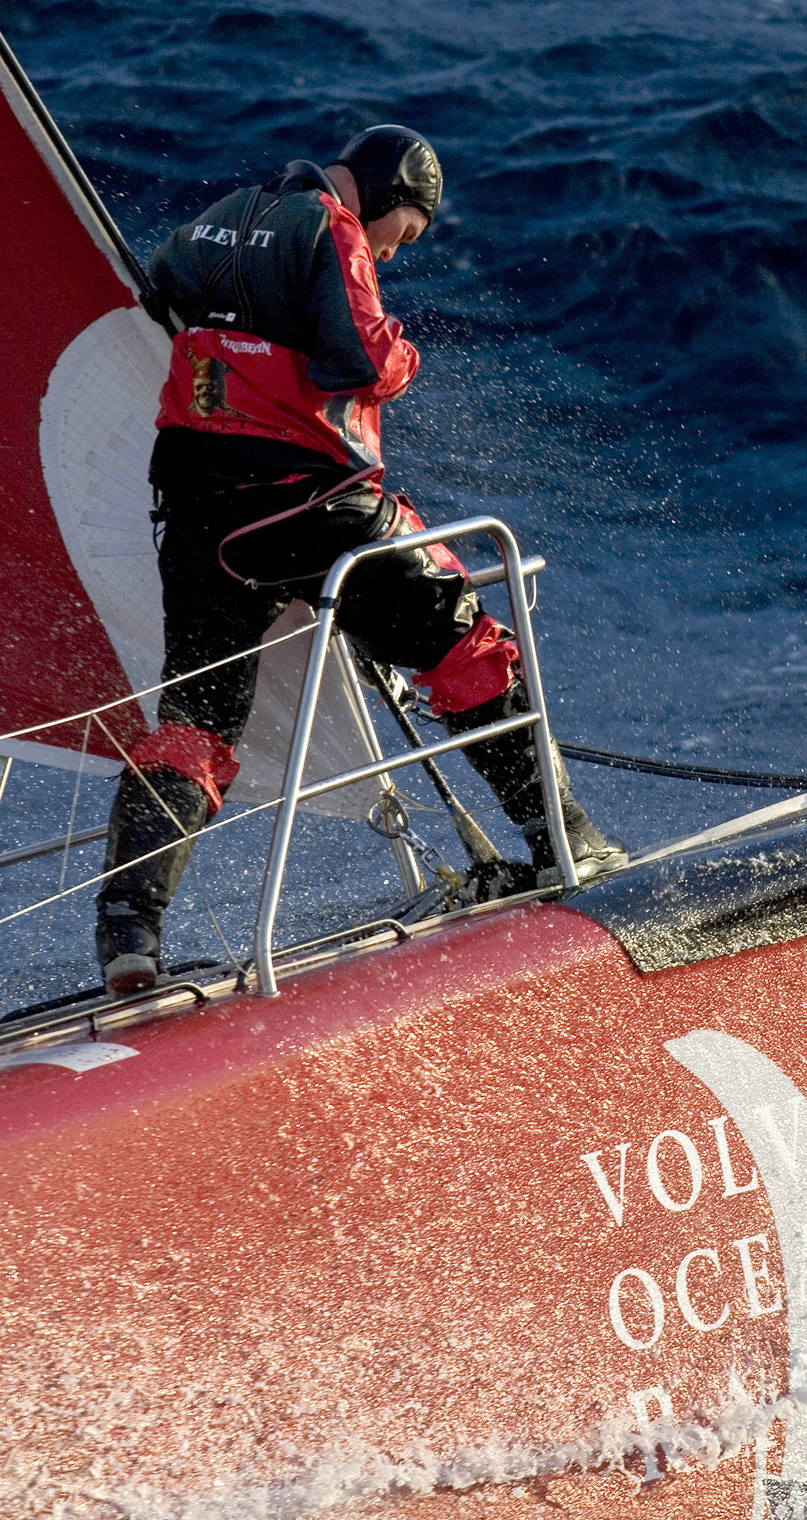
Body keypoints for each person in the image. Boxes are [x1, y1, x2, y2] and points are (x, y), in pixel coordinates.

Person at [96, 124, 623, 995]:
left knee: (195, 719)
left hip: (196, 509)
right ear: (384, 192)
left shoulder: (223, 218)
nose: (392, 247)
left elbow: (163, 284)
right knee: (462, 638)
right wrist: (406, 356)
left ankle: (129, 931)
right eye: (401, 232)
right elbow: (363, 360)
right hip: (307, 498)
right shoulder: (330, 227)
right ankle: (568, 840)